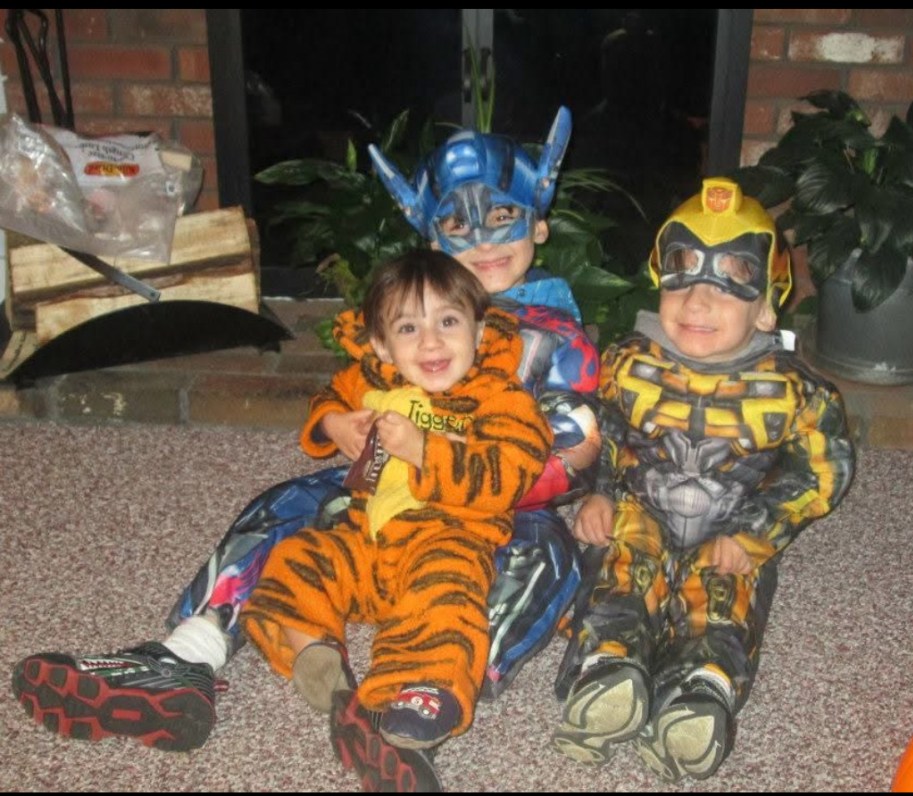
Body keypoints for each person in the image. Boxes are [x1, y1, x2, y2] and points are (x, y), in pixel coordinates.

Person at [11, 106, 601, 758]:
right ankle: (189, 653)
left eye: (503, 216)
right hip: (383, 495)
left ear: (537, 223)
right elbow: (350, 385)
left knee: (550, 558)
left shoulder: (557, 340)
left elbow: (571, 455)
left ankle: (429, 695)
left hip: (493, 506)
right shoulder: (415, 307)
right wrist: (336, 424)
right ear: (431, 239)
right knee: (287, 503)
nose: (483, 241)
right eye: (458, 225)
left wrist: (456, 463)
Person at [550, 177, 855, 782]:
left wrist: (756, 533)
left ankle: (699, 693)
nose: (696, 303)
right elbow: (605, 430)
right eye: (682, 279)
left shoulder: (797, 392)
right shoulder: (626, 364)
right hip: (642, 510)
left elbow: (825, 471)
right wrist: (600, 494)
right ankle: (608, 670)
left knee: (722, 603)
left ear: (766, 307)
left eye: (725, 285)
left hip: (732, 528)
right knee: (620, 577)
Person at [240, 249, 552, 791]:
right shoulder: (372, 378)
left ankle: (418, 696)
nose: (430, 343)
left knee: (446, 602)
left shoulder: (499, 397)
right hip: (368, 541)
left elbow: (509, 474)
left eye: (448, 322)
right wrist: (335, 424)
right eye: (408, 328)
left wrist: (424, 450)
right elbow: (328, 396)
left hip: (447, 540)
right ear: (382, 345)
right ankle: (318, 658)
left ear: (479, 332)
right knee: (295, 557)